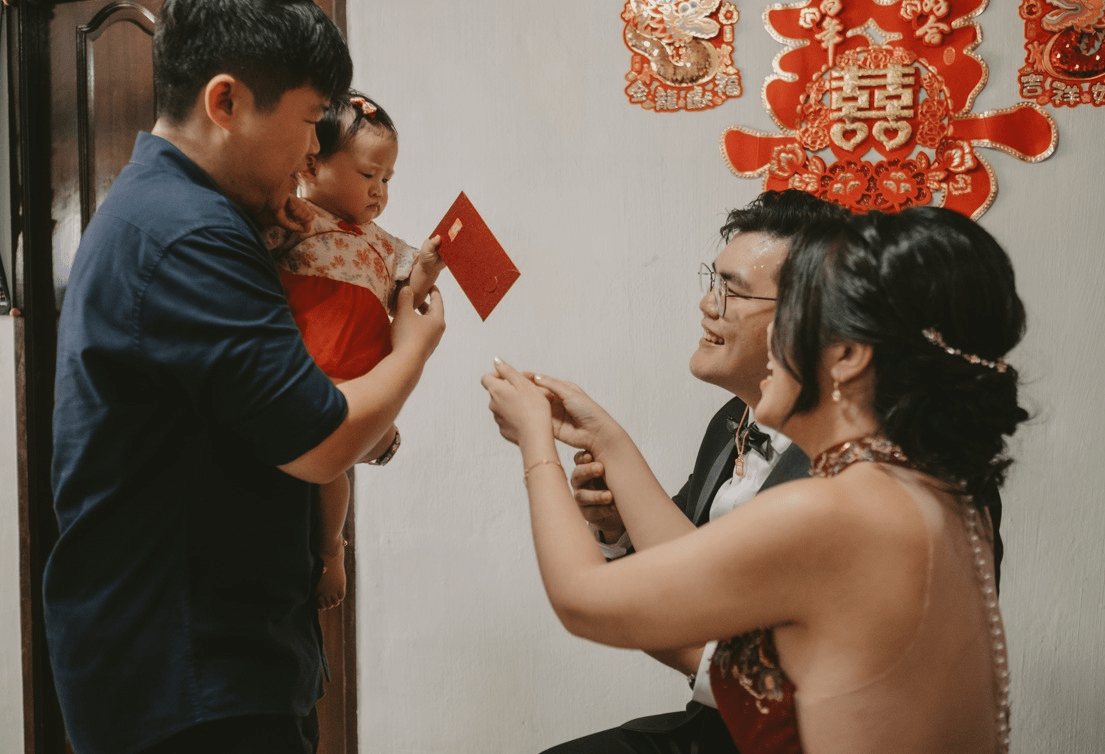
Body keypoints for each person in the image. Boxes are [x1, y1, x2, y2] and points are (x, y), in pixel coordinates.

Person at [46, 1, 445, 753]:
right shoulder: (189, 234)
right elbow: (321, 441)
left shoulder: (180, 213)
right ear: (225, 102)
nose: (311, 152)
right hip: (190, 674)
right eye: (308, 122)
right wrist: (412, 348)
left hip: (202, 660)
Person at [483, 204, 1024, 753]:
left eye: (793, 319)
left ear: (845, 355)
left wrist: (535, 442)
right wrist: (607, 440)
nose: (771, 346)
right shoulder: (941, 493)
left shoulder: (830, 509)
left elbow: (581, 600)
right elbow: (702, 575)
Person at [546, 189, 852, 754]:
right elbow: (670, 558)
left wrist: (556, 450)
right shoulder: (730, 421)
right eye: (713, 281)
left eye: (731, 289)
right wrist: (616, 527)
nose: (707, 304)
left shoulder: (852, 473)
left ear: (810, 317)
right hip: (720, 724)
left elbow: (668, 601)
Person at [266, 91, 446, 609]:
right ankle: (326, 550)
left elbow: (408, 291)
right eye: (368, 175)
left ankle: (331, 552)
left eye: (387, 180)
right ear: (311, 165)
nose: (378, 191)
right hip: (306, 375)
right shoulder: (293, 218)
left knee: (334, 477)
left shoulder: (381, 243)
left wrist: (427, 267)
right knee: (321, 466)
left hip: (360, 383)